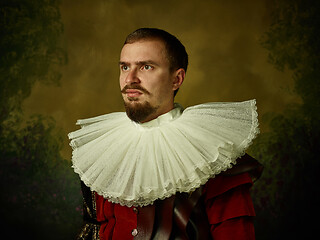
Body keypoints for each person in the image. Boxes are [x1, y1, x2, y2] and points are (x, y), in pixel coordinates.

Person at [69, 28, 263, 240]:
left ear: (176, 79)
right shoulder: (103, 150)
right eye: (125, 67)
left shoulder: (215, 155)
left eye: (146, 67)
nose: (130, 79)